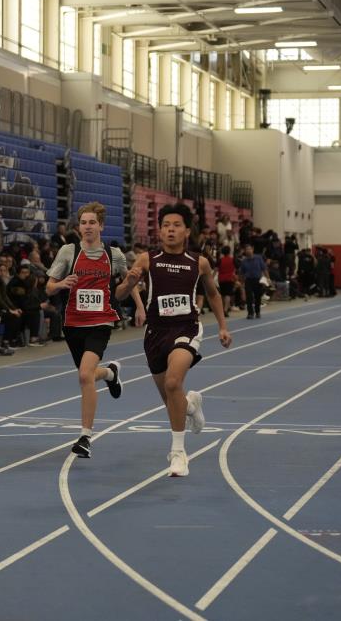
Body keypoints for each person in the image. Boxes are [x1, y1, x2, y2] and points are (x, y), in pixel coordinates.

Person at [118, 203, 232, 477]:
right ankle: (191, 405)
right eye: (166, 225)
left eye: (176, 225)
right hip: (156, 333)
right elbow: (119, 295)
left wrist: (222, 327)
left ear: (187, 231)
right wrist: (130, 282)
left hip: (186, 328)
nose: (171, 230)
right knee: (172, 401)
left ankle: (178, 453)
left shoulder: (199, 262)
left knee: (172, 382)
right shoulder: (147, 259)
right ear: (159, 230)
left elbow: (213, 294)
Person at [46, 202, 141, 458]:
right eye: (83, 223)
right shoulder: (68, 251)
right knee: (87, 374)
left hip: (101, 322)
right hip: (73, 323)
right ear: (79, 227)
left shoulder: (114, 255)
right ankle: (110, 373)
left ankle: (85, 436)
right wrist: (61, 284)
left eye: (92, 223)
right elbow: (49, 287)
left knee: (84, 375)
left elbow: (130, 281)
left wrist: (140, 307)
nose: (87, 227)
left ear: (101, 226)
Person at [238, 243, 268, 319]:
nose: (248, 251)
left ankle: (257, 312)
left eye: (249, 249)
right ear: (245, 251)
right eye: (247, 249)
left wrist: (268, 278)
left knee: (258, 297)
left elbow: (264, 268)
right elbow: (241, 273)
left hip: (258, 280)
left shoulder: (259, 258)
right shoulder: (244, 261)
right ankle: (250, 313)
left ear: (252, 249)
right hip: (248, 280)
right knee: (249, 297)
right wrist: (241, 282)